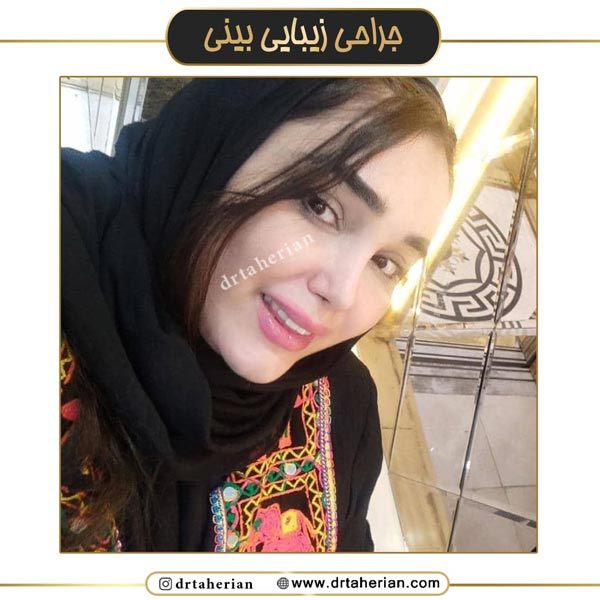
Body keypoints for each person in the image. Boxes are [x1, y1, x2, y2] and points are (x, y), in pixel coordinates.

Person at [60, 77, 456, 552]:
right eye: (320, 206)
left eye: (385, 263)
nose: (342, 293)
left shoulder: (344, 408)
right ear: (218, 143)